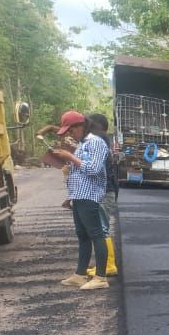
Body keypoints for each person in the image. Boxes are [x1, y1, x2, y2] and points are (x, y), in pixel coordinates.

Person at [50, 110, 110, 290]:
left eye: (71, 130)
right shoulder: (83, 144)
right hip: (79, 195)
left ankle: (101, 277)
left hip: (89, 195)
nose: (70, 134)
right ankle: (80, 274)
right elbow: (80, 169)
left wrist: (70, 157)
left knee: (96, 235)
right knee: (82, 235)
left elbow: (93, 169)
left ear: (81, 126)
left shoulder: (96, 142)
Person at [85, 113, 118, 277]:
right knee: (100, 228)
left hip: (105, 192)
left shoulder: (99, 141)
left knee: (102, 229)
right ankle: (103, 263)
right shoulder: (101, 140)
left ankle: (109, 264)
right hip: (105, 190)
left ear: (96, 127)